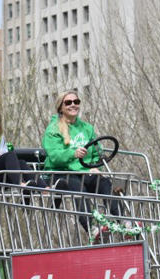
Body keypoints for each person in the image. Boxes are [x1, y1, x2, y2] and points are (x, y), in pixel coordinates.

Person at [41, 89, 120, 232]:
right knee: (78, 187)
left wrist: (95, 167)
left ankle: (123, 222)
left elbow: (97, 151)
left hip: (84, 171)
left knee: (104, 182)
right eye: (68, 102)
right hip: (61, 173)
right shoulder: (53, 129)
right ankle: (91, 229)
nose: (73, 105)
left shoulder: (86, 128)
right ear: (61, 107)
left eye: (76, 102)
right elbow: (54, 156)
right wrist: (73, 153)